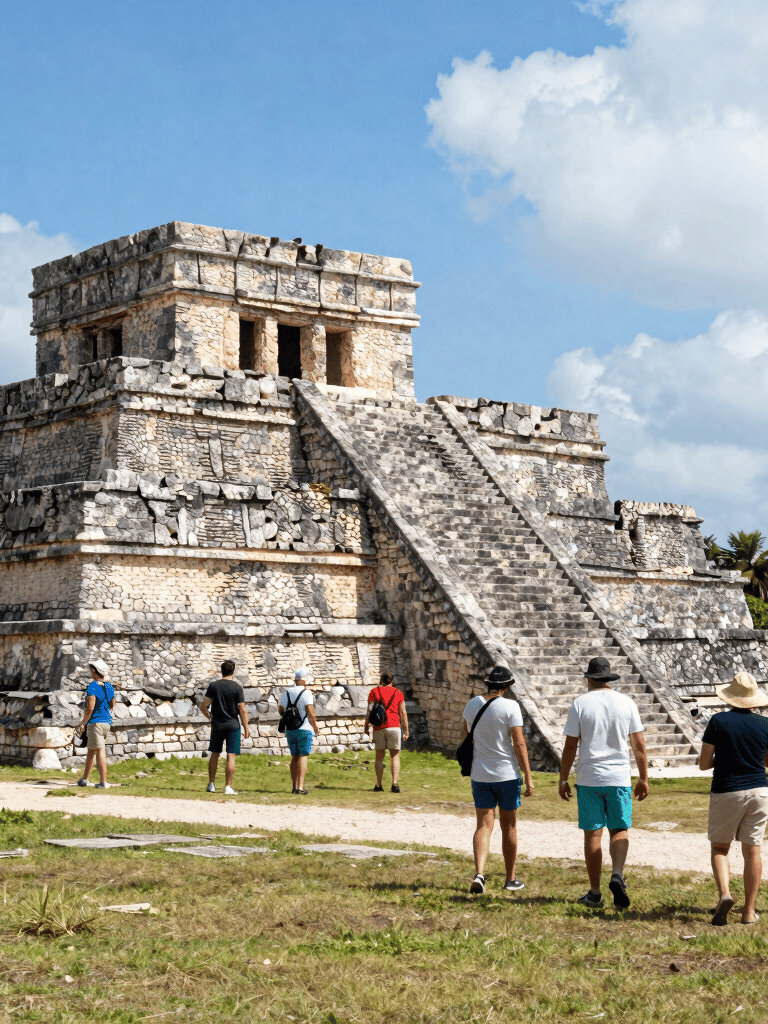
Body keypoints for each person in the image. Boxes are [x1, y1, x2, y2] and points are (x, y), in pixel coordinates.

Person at [559, 656, 648, 909]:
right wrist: (643, 777)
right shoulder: (626, 703)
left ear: (589, 679)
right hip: (618, 777)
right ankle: (617, 873)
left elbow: (570, 746)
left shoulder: (580, 703)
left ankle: (595, 892)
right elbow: (638, 744)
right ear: (609, 679)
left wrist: (563, 778)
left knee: (593, 833)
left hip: (589, 778)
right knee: (619, 829)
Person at [699, 672, 768, 926]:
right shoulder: (765, 724)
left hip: (727, 789)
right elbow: (767, 762)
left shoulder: (718, 721)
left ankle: (725, 895)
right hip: (759, 790)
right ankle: (749, 911)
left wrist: (725, 756)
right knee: (753, 849)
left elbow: (704, 763)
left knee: (720, 847)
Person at [461, 665, 534, 894]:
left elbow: (464, 736)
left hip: (480, 773)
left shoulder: (472, 704)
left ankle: (479, 873)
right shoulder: (510, 706)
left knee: (483, 825)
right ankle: (510, 878)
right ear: (507, 687)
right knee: (508, 826)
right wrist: (528, 774)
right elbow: (519, 743)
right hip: (506, 774)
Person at [199, 659, 250, 795]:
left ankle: (211, 784)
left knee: (214, 754)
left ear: (221, 671)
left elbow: (203, 705)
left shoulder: (214, 686)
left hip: (217, 724)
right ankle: (228, 786)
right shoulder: (237, 687)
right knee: (231, 755)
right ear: (233, 671)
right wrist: (246, 727)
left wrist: (210, 717)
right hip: (233, 724)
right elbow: (242, 709)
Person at [363, 672, 409, 793]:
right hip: (394, 726)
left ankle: (378, 785)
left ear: (381, 680)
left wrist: (366, 727)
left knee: (379, 756)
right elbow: (403, 713)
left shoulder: (374, 692)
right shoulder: (398, 693)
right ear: (392, 681)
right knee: (395, 755)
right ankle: (395, 784)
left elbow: (369, 711)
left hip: (379, 727)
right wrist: (406, 730)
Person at [279, 667, 319, 795]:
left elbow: (281, 709)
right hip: (304, 727)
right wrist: (315, 728)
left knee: (294, 757)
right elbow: (310, 712)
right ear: (303, 680)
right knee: (303, 756)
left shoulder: (286, 693)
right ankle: (301, 786)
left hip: (290, 729)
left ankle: (294, 786)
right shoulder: (306, 693)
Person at [76, 659, 115, 789]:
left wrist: (83, 723)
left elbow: (90, 707)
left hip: (95, 723)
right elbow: (112, 704)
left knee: (99, 751)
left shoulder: (93, 686)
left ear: (94, 670)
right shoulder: (109, 686)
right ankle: (84, 779)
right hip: (106, 722)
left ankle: (103, 782)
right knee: (91, 751)